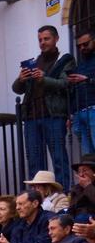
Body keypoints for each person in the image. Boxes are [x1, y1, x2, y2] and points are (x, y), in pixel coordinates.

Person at [13, 24, 75, 191]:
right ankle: (38, 195)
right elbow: (16, 89)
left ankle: (62, 192)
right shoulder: (34, 62)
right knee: (34, 158)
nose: (42, 43)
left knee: (58, 156)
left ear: (56, 39)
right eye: (40, 40)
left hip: (53, 115)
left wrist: (44, 78)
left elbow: (66, 84)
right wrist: (21, 79)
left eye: (46, 39)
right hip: (32, 117)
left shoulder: (65, 60)